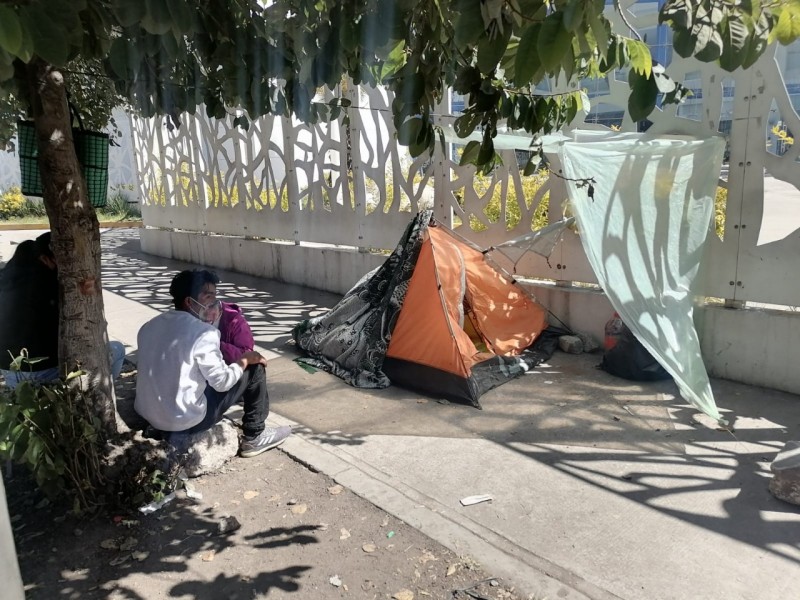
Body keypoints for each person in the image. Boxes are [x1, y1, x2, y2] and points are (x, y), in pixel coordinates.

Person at [134, 269, 290, 457]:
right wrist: (244, 360)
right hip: (185, 422)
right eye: (208, 297)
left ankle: (160, 428)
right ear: (189, 302)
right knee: (254, 366)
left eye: (215, 296)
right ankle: (254, 435)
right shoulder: (203, 333)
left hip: (148, 414)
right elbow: (222, 382)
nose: (215, 303)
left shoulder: (149, 325)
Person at [0, 232, 125, 389]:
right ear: (46, 258)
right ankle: (98, 397)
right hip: (42, 370)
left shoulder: (7, 279)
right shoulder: (48, 283)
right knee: (117, 349)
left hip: (9, 369)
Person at [184, 270, 256, 365]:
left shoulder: (234, 321)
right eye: (207, 296)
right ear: (190, 302)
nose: (212, 301)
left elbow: (247, 355)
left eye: (214, 294)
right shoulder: (186, 318)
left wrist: (216, 344)